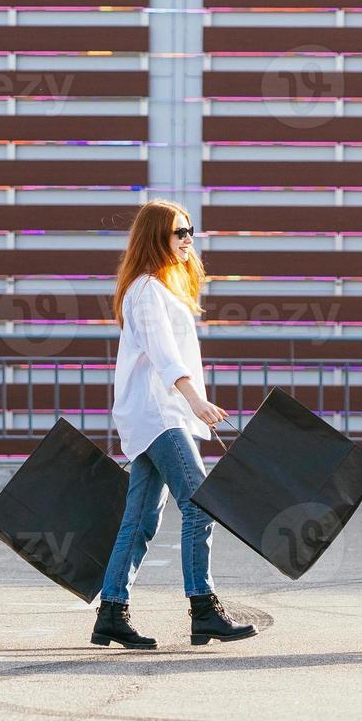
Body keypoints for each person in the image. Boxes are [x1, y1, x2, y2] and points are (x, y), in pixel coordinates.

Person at [92, 200, 256, 649]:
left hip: (159, 414)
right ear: (155, 238)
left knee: (141, 518)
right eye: (179, 232)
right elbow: (164, 355)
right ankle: (203, 609)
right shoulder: (145, 290)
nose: (188, 239)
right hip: (158, 413)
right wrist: (196, 401)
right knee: (201, 504)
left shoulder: (159, 288)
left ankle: (111, 612)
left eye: (189, 231)